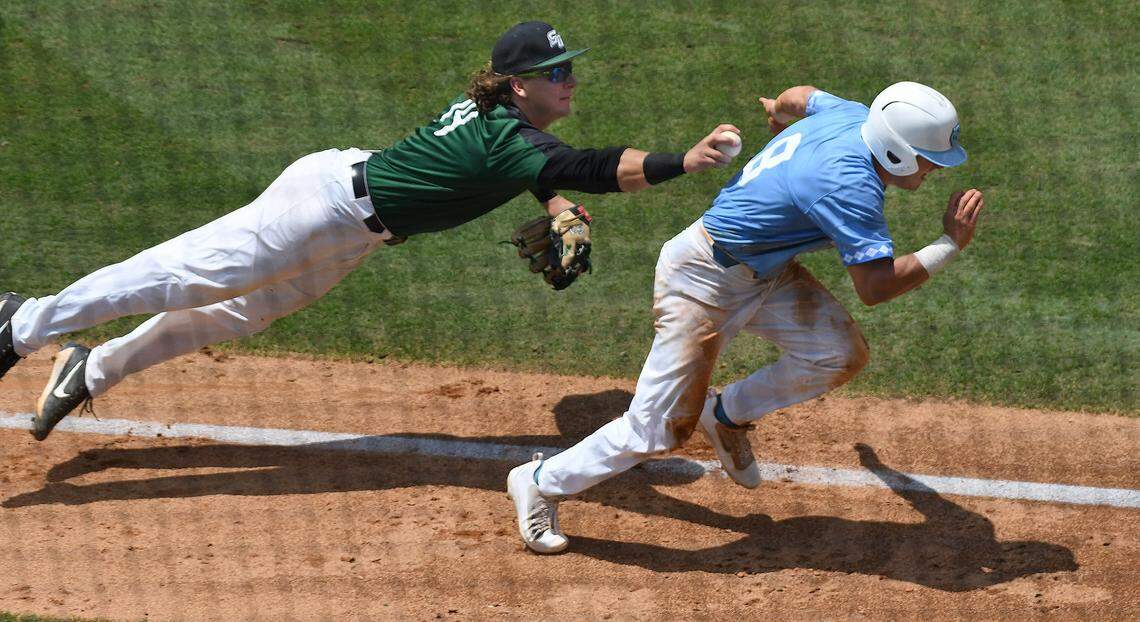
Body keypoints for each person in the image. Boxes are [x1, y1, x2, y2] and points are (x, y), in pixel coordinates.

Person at [0, 20, 740, 441]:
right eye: (557, 72)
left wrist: (555, 207)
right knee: (186, 274)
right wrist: (689, 159)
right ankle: (20, 323)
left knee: (238, 310)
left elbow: (544, 170)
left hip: (350, 226)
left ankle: (90, 370)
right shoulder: (513, 134)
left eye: (569, 67)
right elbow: (586, 167)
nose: (570, 79)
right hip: (321, 209)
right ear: (521, 85)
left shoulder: (508, 122)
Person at [507, 81, 985, 553]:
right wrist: (949, 244)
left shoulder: (855, 116)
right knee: (658, 429)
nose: (935, 169)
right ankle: (541, 481)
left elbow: (801, 95)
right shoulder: (849, 185)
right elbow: (875, 288)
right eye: (930, 158)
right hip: (701, 280)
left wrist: (777, 112)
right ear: (897, 152)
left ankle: (727, 415)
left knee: (839, 353)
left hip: (764, 272)